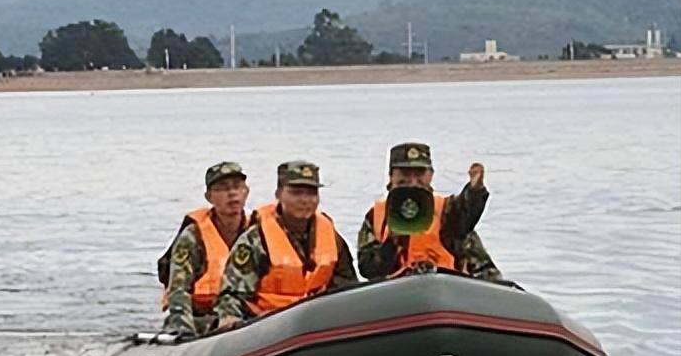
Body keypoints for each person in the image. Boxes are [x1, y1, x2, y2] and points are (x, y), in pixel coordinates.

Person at [213, 161, 358, 332]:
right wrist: (230, 318)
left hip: (316, 322)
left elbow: (347, 285)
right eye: (296, 193)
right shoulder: (256, 239)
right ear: (279, 194)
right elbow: (232, 293)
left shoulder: (331, 236)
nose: (305, 200)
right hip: (266, 326)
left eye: (311, 193)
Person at [356, 142, 500, 280]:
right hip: (394, 293)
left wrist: (475, 191)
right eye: (404, 173)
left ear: (430, 175)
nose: (412, 180)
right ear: (391, 176)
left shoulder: (446, 210)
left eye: (419, 173)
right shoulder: (376, 217)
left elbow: (465, 213)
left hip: (447, 285)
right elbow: (367, 269)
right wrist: (392, 242)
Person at [160, 162, 251, 336]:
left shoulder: (257, 232)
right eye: (223, 188)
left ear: (246, 192)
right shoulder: (193, 236)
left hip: (247, 318)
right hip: (201, 319)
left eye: (237, 187)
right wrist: (183, 331)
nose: (232, 193)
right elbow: (179, 289)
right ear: (209, 197)